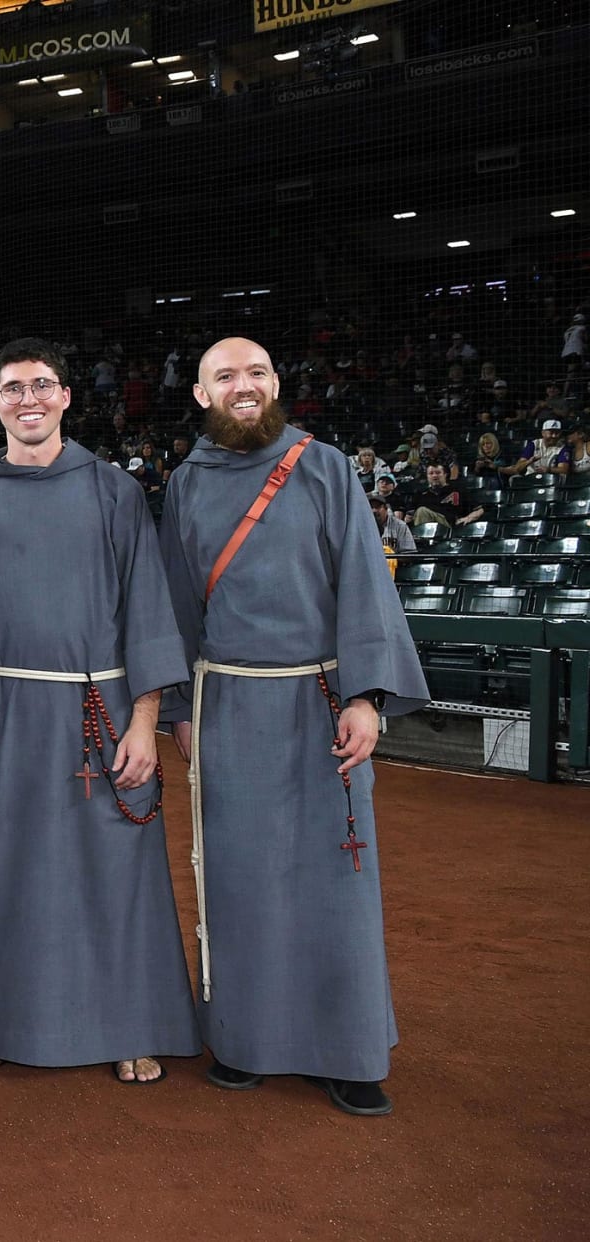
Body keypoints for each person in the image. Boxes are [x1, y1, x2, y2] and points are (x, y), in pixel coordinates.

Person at [160, 337, 429, 1117]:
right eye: (225, 377)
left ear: (274, 384)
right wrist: (178, 706)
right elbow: (177, 601)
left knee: (334, 879)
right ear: (203, 394)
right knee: (239, 880)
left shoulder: (325, 466)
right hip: (227, 705)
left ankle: (344, 1053)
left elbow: (362, 580)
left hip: (318, 701)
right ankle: (247, 1042)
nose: (243, 387)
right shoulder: (186, 483)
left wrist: (366, 696)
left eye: (256, 374)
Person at [0, 338, 197, 1086]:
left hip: (102, 711)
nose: (29, 400)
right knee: (11, 876)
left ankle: (130, 1023)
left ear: (67, 396)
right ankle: (5, 1018)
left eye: (42, 385)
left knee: (117, 869)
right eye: (13, 389)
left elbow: (147, 610)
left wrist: (145, 719)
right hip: (1, 714)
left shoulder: (114, 493)